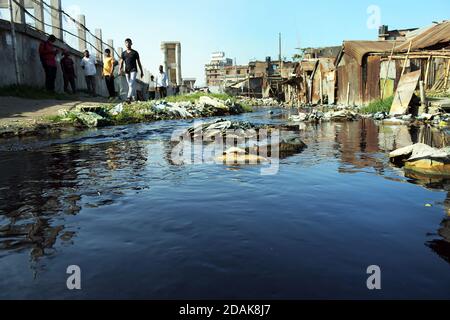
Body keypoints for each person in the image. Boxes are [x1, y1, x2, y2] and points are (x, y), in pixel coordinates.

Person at [119, 38, 144, 103]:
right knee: (130, 84)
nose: (128, 44)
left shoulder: (135, 53)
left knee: (131, 83)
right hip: (127, 70)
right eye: (126, 43)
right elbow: (121, 62)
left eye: (129, 43)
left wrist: (141, 71)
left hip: (134, 70)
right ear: (125, 44)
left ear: (131, 43)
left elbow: (139, 62)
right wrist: (120, 69)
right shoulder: (123, 53)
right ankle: (133, 97)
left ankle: (128, 98)